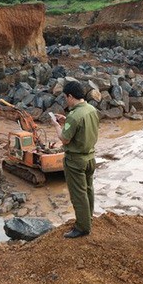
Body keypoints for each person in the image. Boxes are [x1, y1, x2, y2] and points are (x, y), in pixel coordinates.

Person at [51, 81, 100, 239]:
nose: (66, 100)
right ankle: (88, 218)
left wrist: (56, 125)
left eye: (66, 97)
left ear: (71, 96)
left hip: (75, 161)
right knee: (88, 190)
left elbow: (64, 139)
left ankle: (82, 227)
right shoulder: (91, 109)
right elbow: (82, 128)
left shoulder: (74, 115)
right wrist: (66, 121)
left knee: (78, 194)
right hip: (90, 157)